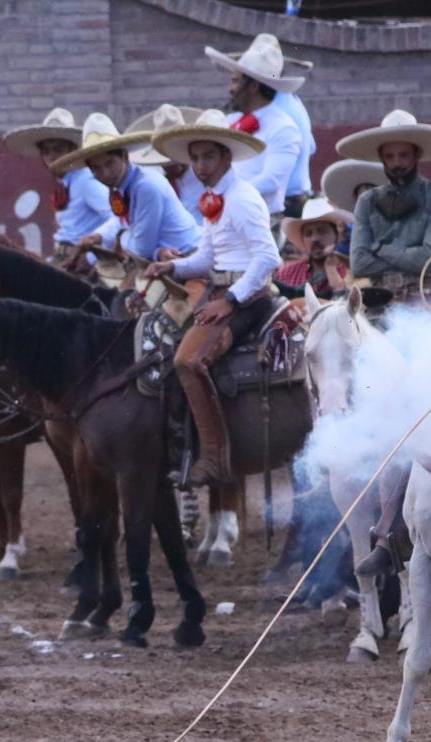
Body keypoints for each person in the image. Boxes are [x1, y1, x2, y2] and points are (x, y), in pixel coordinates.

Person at [138, 110, 278, 488]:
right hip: (220, 291)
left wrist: (230, 301)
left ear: (227, 158)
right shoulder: (215, 199)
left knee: (188, 360)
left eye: (208, 157)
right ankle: (179, 445)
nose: (200, 166)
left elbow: (268, 259)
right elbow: (206, 258)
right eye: (195, 158)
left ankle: (215, 459)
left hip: (248, 299)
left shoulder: (243, 199)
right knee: (162, 342)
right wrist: (172, 268)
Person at [334, 109, 431, 302]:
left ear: (416, 155)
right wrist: (409, 256)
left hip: (427, 295)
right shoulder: (367, 200)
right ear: (381, 157)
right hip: (378, 298)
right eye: (390, 156)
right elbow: (359, 264)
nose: (397, 163)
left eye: (403, 155)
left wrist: (380, 249)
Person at [57, 114, 199, 264]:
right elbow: (121, 220)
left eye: (109, 163)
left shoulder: (145, 187)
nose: (105, 173)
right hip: (168, 259)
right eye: (97, 168)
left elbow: (143, 249)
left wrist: (120, 238)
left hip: (189, 256)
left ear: (124, 156)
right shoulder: (123, 186)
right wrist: (99, 235)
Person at [204, 32, 306, 219]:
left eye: (235, 81)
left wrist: (225, 196)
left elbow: (271, 181)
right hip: (226, 216)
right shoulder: (230, 122)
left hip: (263, 219)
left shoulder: (283, 128)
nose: (230, 88)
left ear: (253, 86)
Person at [2, 108, 111, 264]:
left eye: (59, 149)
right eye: (46, 151)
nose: (52, 156)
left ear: (73, 150)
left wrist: (91, 259)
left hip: (83, 263)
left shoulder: (85, 180)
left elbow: (116, 219)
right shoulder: (66, 182)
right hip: (62, 258)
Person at [127, 104, 206, 219]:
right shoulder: (151, 181)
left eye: (179, 160)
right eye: (168, 164)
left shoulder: (206, 177)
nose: (177, 167)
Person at [273, 197, 349, 298]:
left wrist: (331, 269)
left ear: (336, 235)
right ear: (303, 240)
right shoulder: (287, 273)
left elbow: (347, 303)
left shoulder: (350, 270)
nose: (314, 238)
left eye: (322, 231)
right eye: (308, 234)